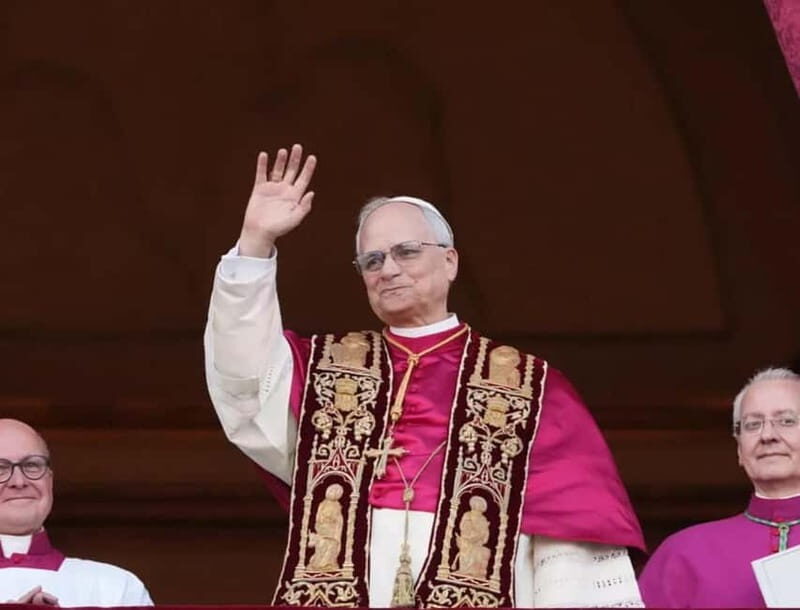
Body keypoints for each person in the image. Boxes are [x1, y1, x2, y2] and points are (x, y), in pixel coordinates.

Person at [204, 144, 645, 607]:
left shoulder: (530, 387)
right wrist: (255, 244)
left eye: (406, 252)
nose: (388, 269)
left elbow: (570, 541)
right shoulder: (327, 370)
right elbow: (245, 378)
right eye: (372, 261)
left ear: (450, 261)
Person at [639, 367, 800, 607]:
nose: (767, 435)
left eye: (786, 421)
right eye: (752, 425)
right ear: (739, 449)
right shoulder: (684, 552)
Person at [0, 419, 153, 607]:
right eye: (0, 468)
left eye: (32, 465)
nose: (19, 481)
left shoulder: (115, 586)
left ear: (50, 479)